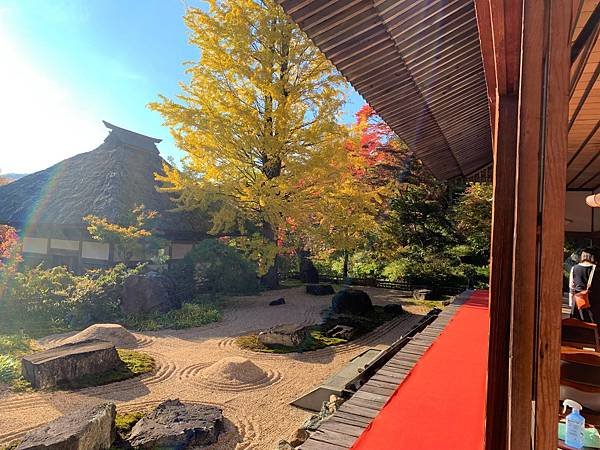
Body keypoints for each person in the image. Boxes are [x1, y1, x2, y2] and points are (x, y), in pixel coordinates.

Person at [569, 249, 599, 324]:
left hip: (577, 300)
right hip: (592, 301)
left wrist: (571, 303)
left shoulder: (574, 268)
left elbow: (571, 286)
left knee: (576, 323)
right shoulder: (596, 269)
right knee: (592, 323)